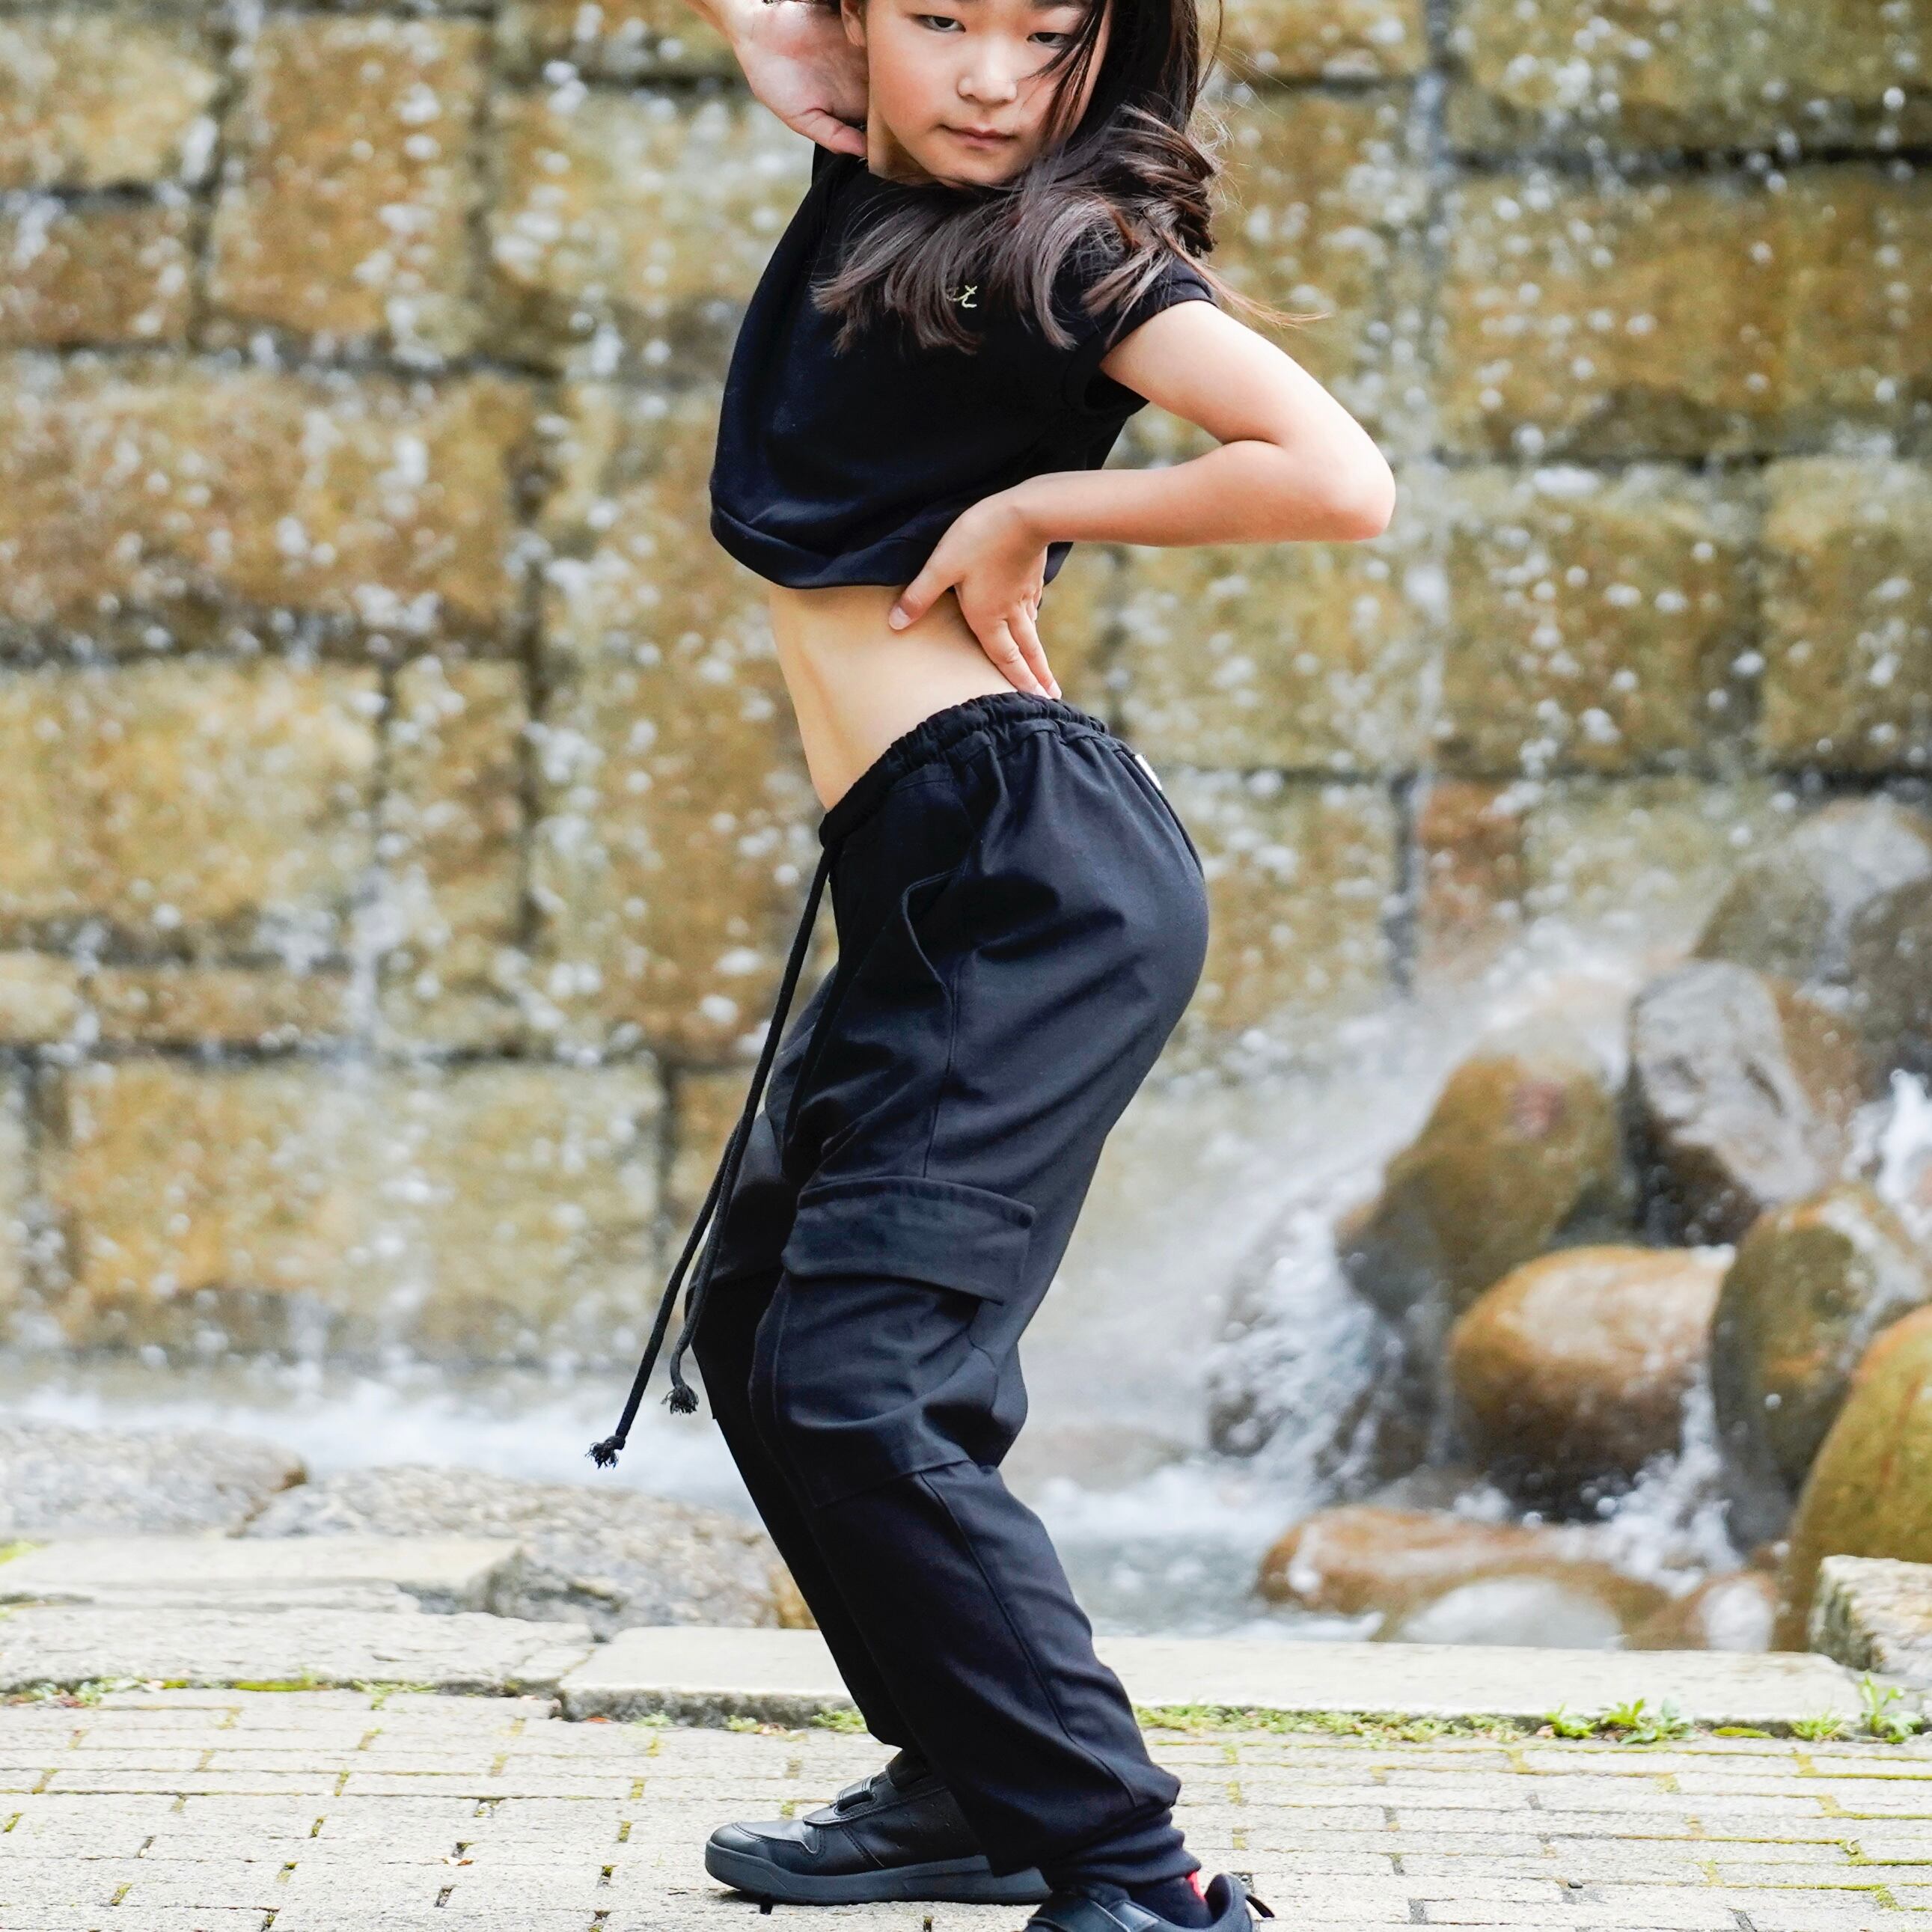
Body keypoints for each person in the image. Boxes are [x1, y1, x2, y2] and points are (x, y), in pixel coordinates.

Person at [585, 0, 1396, 1921]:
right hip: (934, 868)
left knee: (859, 1377)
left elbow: (1335, 473)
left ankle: (1135, 1869)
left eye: (1042, 31)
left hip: (1027, 872)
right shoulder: (876, 185)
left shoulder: (1063, 247)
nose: (985, 76)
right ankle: (963, 1773)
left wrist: (1044, 501)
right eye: (939, 18)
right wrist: (782, 41)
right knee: (762, 1331)